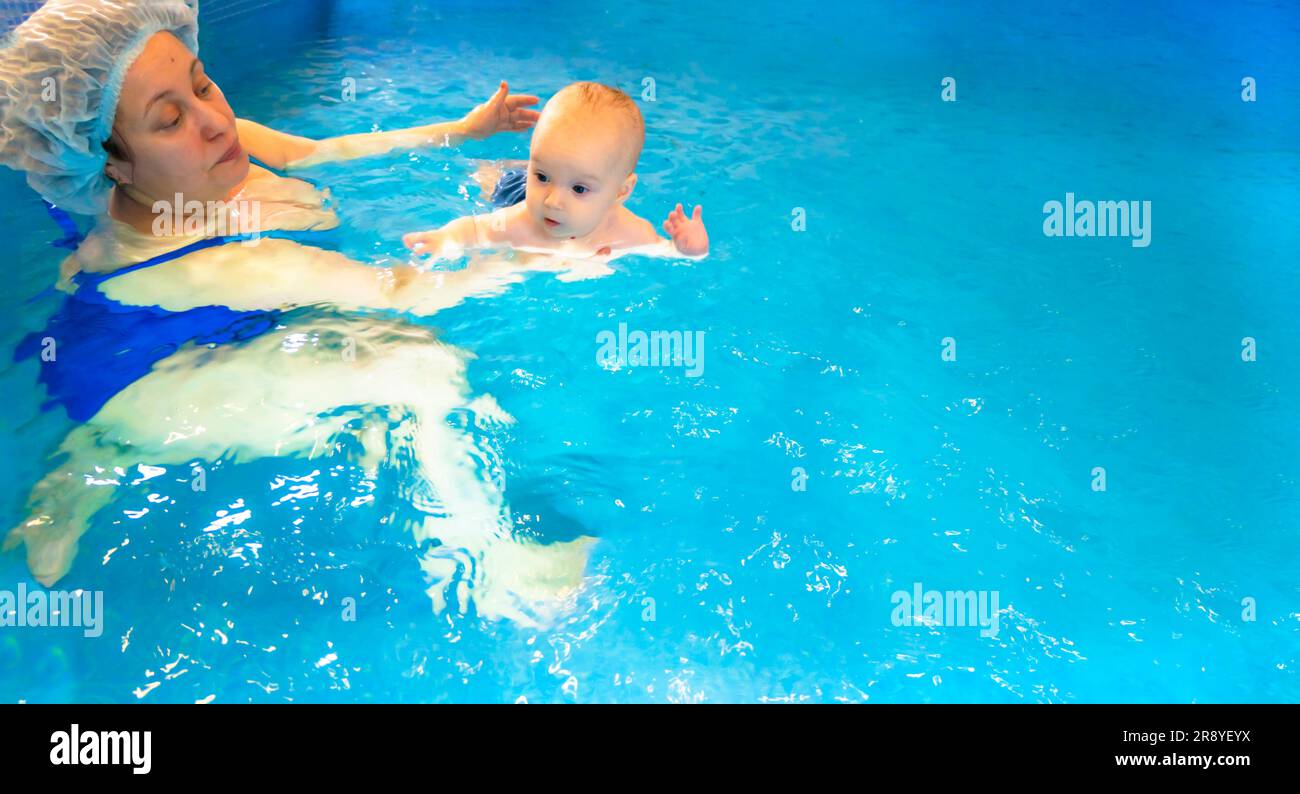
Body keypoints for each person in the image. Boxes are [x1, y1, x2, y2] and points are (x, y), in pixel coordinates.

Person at [403, 81, 710, 264]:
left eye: (579, 189)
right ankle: (506, 172)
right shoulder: (519, 220)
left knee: (550, 174)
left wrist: (689, 249)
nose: (552, 202)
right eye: (543, 174)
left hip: (534, 185)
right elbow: (473, 229)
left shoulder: (630, 232)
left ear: (621, 192)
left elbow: (665, 252)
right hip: (517, 193)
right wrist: (445, 238)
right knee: (492, 182)